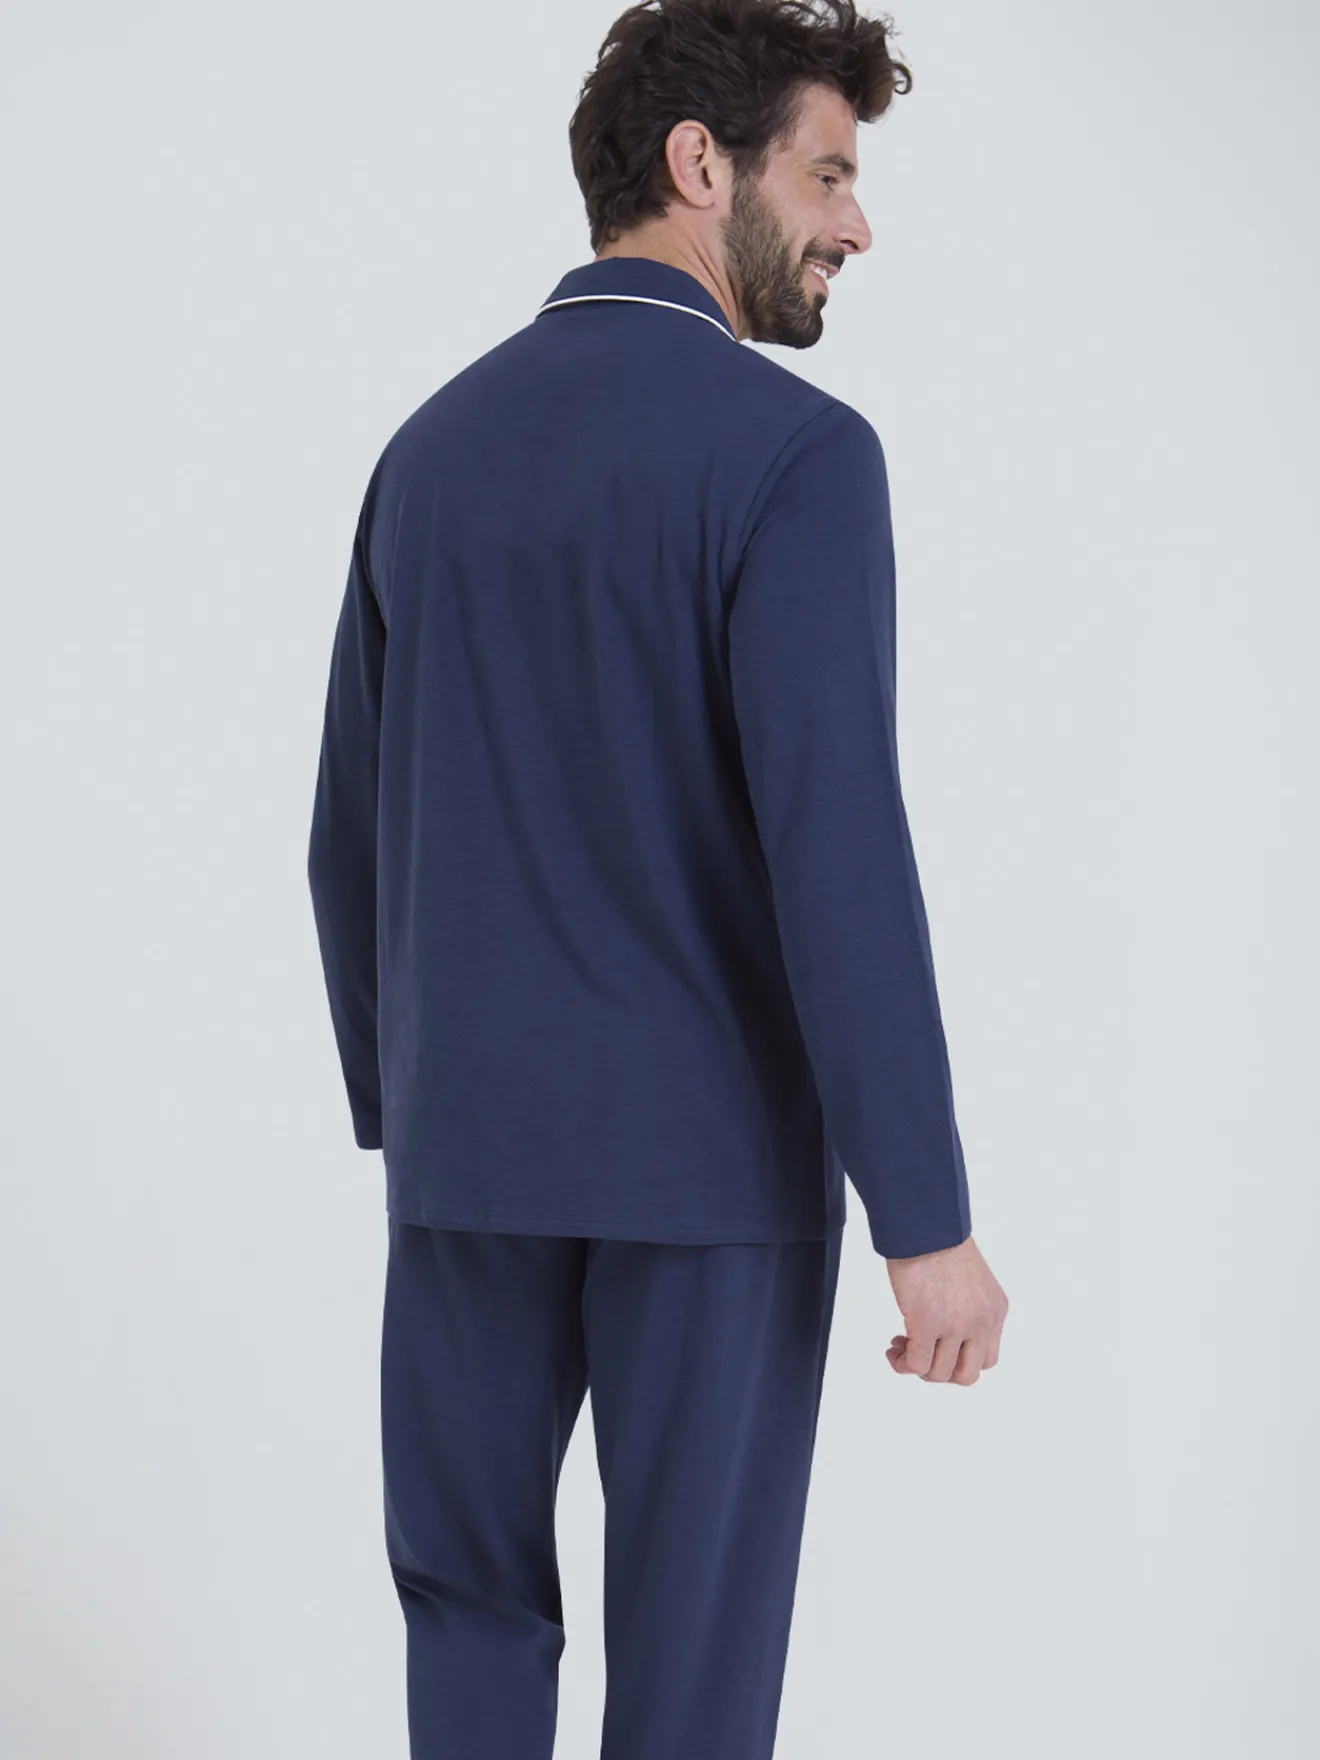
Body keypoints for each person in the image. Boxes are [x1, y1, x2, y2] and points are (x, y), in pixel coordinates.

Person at [306, 2, 1009, 1754]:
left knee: (466, 1612)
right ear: (703, 165)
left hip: (467, 1161)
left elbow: (347, 829)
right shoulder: (797, 457)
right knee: (693, 1666)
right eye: (828, 175)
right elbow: (838, 850)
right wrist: (923, 1219)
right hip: (708, 1175)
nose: (858, 224)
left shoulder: (431, 449)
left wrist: (413, 1102)